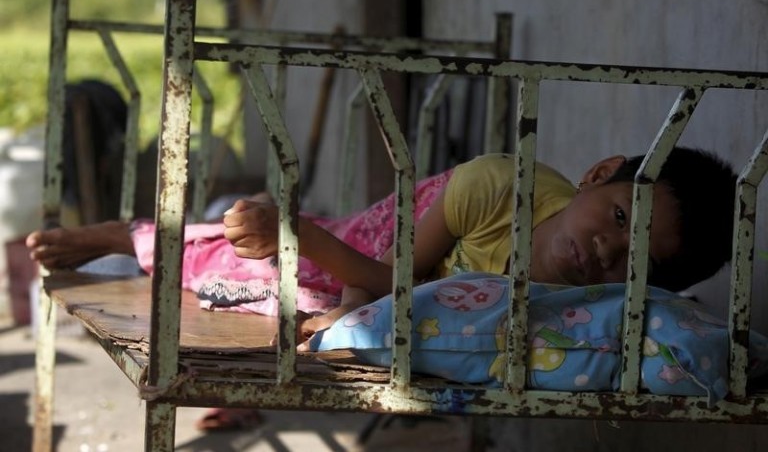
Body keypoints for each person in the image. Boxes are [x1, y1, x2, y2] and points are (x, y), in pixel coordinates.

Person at [26, 147, 736, 428]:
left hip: (416, 295)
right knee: (257, 270)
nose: (602, 252)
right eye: (618, 218)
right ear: (598, 172)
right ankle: (122, 236)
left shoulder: (587, 305)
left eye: (627, 264)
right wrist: (304, 241)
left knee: (280, 304)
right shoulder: (501, 186)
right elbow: (392, 274)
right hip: (387, 250)